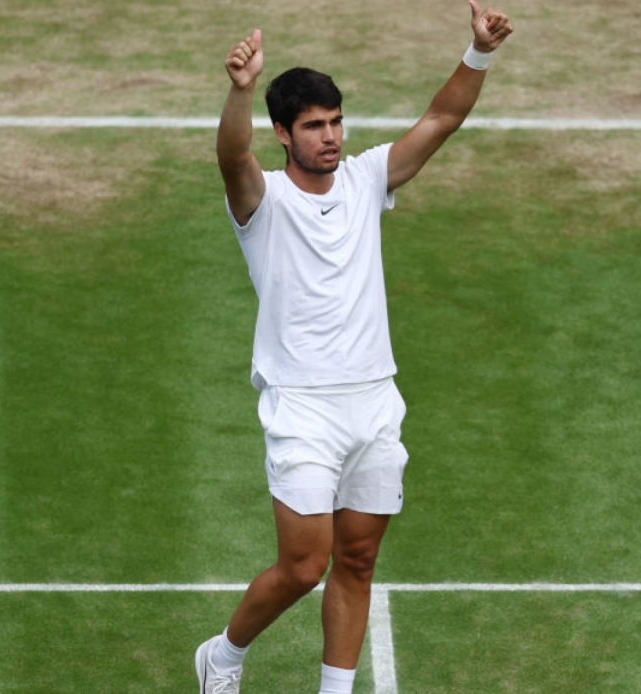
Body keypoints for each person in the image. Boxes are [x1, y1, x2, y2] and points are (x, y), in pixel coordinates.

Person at [194, 3, 513, 693]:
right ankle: (222, 653)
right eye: (314, 126)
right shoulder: (263, 200)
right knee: (304, 566)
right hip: (301, 407)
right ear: (283, 134)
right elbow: (230, 156)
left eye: (336, 121)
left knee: (358, 560)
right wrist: (240, 90)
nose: (331, 136)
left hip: (373, 400)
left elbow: (440, 120)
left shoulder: (369, 179)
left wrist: (478, 51)